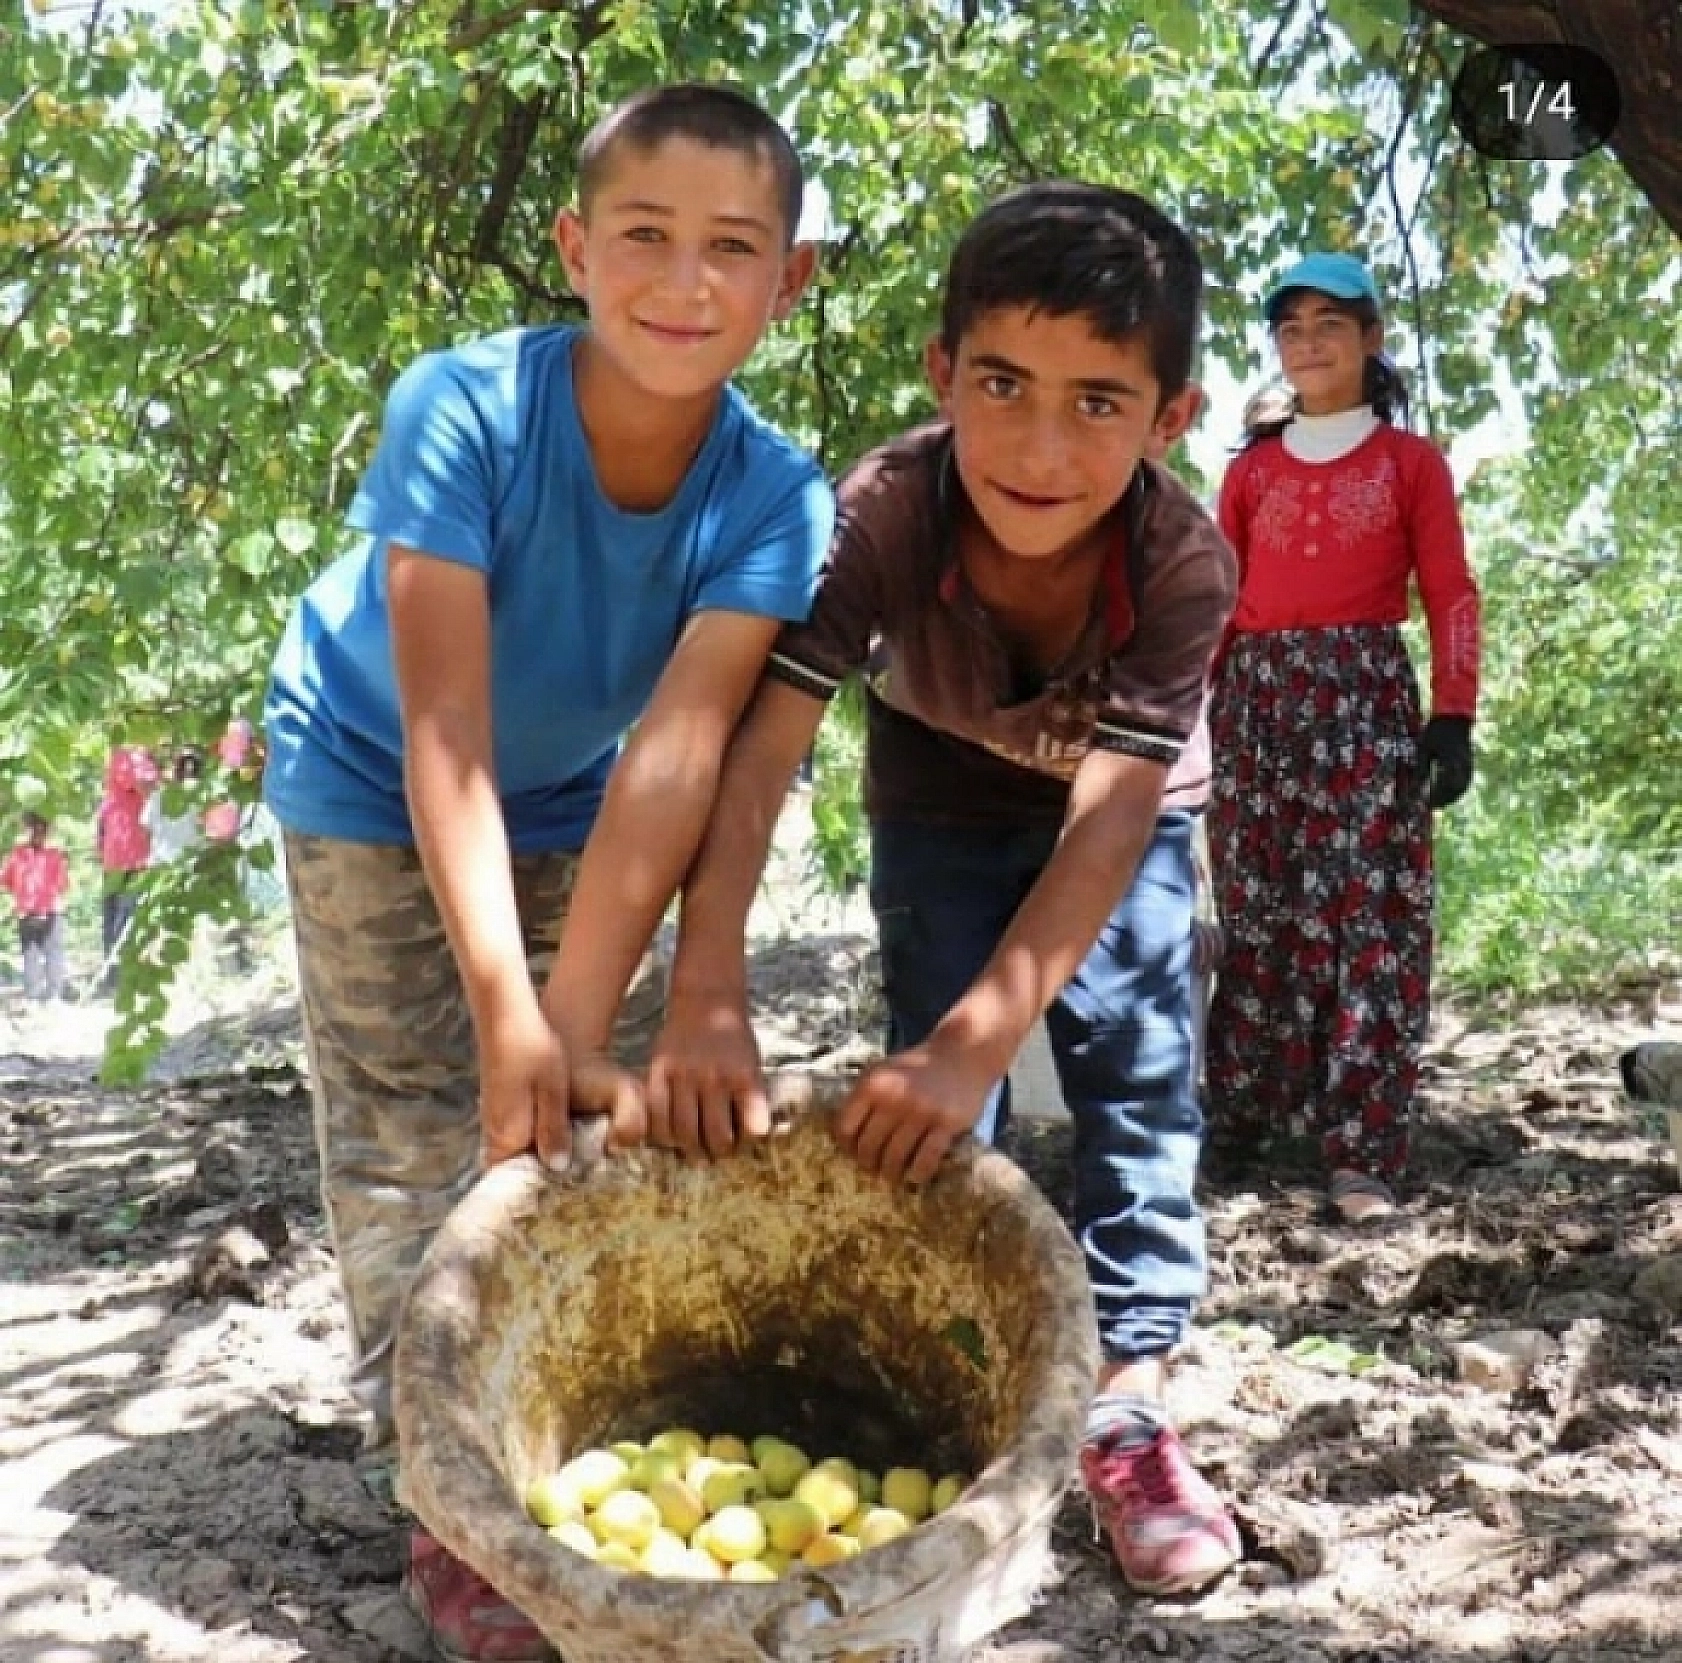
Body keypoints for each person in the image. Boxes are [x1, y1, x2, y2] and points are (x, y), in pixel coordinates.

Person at [261, 82, 831, 1662]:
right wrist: (505, 1007)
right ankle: (445, 1499)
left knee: (578, 1118)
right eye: (643, 235)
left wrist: (566, 1025)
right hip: (373, 769)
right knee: (408, 1125)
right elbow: (442, 723)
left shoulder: (777, 495)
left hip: (589, 790)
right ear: (576, 247)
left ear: (787, 283)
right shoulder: (462, 407)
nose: (683, 281)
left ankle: (571, 1426)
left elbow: (679, 747)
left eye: (733, 247)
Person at [650, 182, 1242, 1597]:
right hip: (936, 785)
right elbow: (755, 754)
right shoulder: (880, 516)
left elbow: (1107, 821)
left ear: (1172, 418)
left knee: (1134, 1065)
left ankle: (1128, 1397)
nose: (1041, 447)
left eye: (1100, 401)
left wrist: (988, 1030)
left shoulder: (1179, 564)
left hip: (1131, 806)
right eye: (1002, 384)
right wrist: (705, 983)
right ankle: (944, 1376)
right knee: (931, 1079)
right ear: (940, 375)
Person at [1205, 252, 1481, 1226]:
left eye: (1330, 322)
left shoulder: (1411, 465)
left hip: (1362, 701)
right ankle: (1236, 1126)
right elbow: (1214, 607)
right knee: (1256, 910)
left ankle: (1359, 1149)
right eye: (1289, 325)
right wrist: (1188, 723)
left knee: (1369, 920)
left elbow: (1448, 591)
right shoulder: (1249, 471)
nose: (1308, 341)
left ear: (1368, 337)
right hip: (1253, 706)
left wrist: (1451, 713)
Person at [95, 743, 158, 974]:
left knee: (117, 920)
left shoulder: (110, 800)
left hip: (119, 860)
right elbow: (146, 783)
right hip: (130, 861)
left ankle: (115, 972)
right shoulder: (131, 755)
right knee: (124, 920)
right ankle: (119, 972)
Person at [2, 812, 71, 1002]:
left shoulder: (17, 855)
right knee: (54, 952)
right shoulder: (55, 855)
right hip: (51, 910)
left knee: (30, 954)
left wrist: (19, 894)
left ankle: (33, 995)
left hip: (26, 911)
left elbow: (6, 880)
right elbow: (63, 884)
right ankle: (54, 994)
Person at [143, 749, 207, 866]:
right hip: (189, 863)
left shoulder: (158, 795)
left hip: (165, 862)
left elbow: (146, 829)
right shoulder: (205, 798)